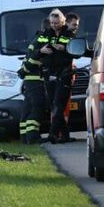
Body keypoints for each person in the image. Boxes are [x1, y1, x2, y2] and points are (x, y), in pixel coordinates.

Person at [42, 9, 76, 143]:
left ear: (62, 22)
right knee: (53, 105)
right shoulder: (46, 33)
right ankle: (65, 135)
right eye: (52, 23)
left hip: (64, 75)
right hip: (49, 74)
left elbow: (74, 50)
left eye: (57, 23)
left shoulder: (69, 34)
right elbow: (37, 46)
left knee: (58, 105)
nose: (54, 25)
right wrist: (41, 49)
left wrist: (64, 48)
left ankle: (52, 134)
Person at [17, 18, 52, 145]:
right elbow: (33, 60)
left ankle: (24, 138)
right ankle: (33, 138)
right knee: (37, 109)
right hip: (36, 80)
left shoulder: (36, 39)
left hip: (30, 80)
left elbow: (30, 59)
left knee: (27, 110)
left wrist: (24, 70)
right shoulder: (43, 41)